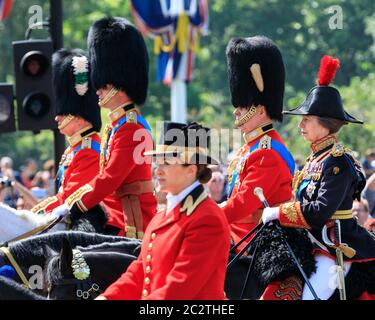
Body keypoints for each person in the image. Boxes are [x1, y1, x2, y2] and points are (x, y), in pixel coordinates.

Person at [262, 55, 375, 300]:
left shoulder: (337, 162)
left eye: (306, 120)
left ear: (325, 124)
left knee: (312, 297)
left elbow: (320, 211)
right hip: (312, 241)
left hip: (334, 246)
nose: (300, 125)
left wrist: (279, 213)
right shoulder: (316, 158)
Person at [96, 122, 230, 300]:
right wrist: (108, 297)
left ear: (191, 170)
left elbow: (180, 287)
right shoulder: (162, 214)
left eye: (166, 163)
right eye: (157, 163)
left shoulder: (207, 219)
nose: (157, 171)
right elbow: (140, 270)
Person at [53, 17, 157, 239]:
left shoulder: (131, 127)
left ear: (118, 85)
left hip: (132, 222)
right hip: (117, 216)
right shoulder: (117, 125)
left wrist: (72, 205)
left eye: (104, 84)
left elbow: (109, 179)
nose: (97, 89)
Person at [31, 48, 122, 233]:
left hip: (101, 229)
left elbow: (68, 198)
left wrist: (34, 213)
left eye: (63, 112)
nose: (57, 118)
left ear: (80, 116)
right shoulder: (75, 149)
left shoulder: (89, 151)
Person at [221, 36, 295, 252]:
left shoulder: (267, 153)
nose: (236, 110)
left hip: (256, 244)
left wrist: (203, 216)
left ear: (260, 110)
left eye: (243, 106)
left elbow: (242, 205)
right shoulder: (250, 148)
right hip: (240, 237)